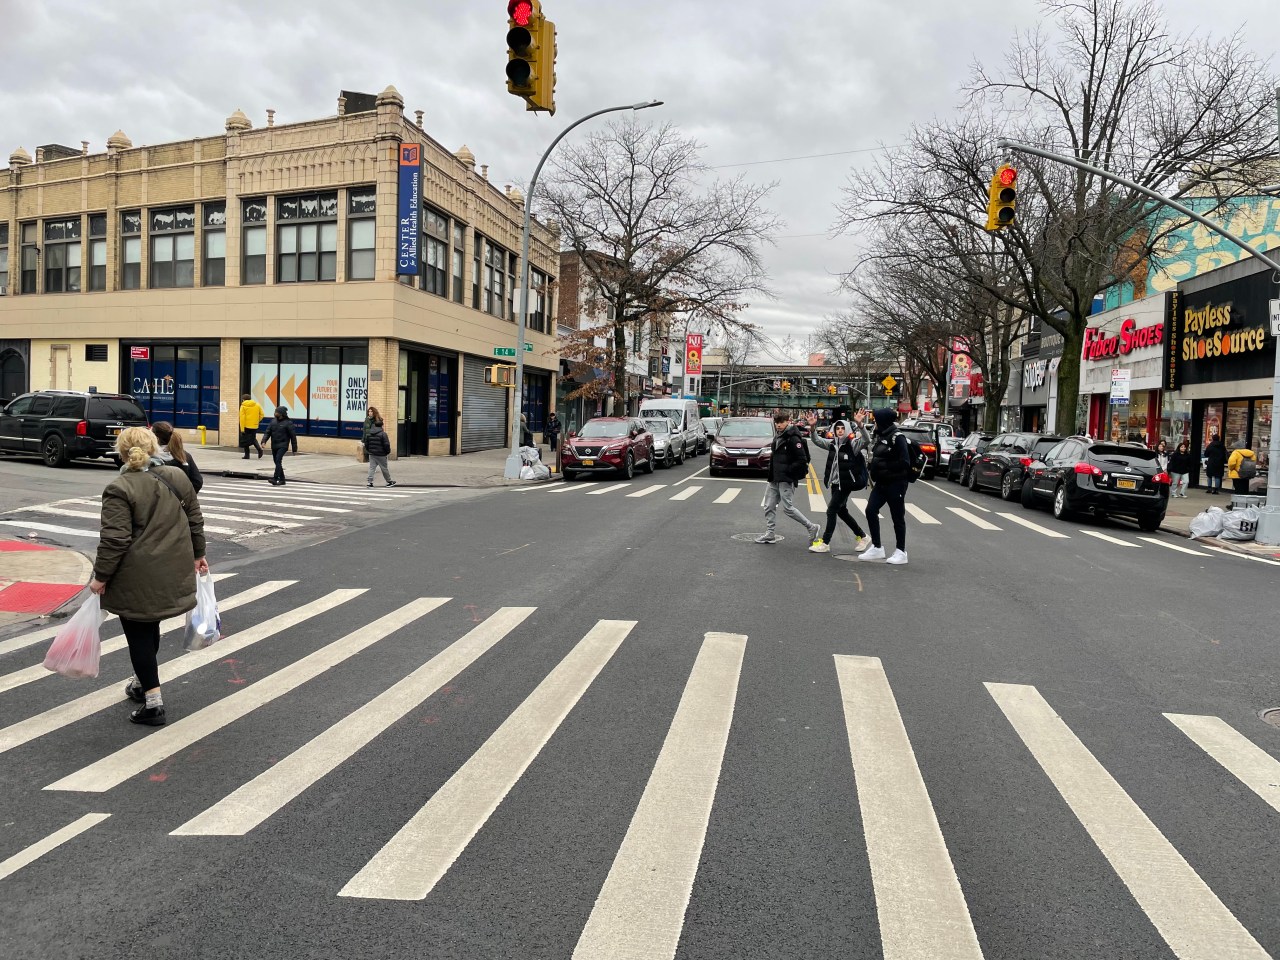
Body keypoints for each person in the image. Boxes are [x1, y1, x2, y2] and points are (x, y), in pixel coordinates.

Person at [89, 427, 207, 727]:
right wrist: (198, 554)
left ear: (121, 451)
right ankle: (142, 682)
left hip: (136, 574)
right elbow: (195, 519)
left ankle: (152, 702)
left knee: (139, 633)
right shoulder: (178, 477)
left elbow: (115, 540)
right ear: (154, 448)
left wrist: (100, 576)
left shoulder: (120, 487)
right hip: (173, 569)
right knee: (149, 625)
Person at [805, 411, 871, 554]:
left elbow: (866, 440)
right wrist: (812, 428)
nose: (840, 431)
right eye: (837, 428)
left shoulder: (852, 444)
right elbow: (817, 441)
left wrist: (860, 425)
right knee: (842, 511)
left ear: (847, 430)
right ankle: (863, 536)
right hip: (835, 483)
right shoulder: (832, 444)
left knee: (831, 510)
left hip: (846, 483)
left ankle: (825, 542)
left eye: (842, 428)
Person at [755, 412, 820, 545]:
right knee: (768, 506)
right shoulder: (779, 435)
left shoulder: (793, 438)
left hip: (786, 479)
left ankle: (812, 527)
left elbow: (802, 460)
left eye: (781, 422)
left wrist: (789, 472)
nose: (778, 425)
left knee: (788, 508)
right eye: (777, 422)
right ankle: (770, 534)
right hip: (774, 477)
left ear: (788, 421)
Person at [859, 407, 911, 565]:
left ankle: (901, 551)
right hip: (881, 483)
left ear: (883, 421)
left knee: (897, 517)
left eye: (876, 419)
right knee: (870, 510)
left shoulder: (898, 437)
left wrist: (886, 468)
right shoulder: (880, 435)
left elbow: (905, 462)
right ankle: (877, 547)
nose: (874, 422)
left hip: (896, 483)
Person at [151, 421, 203, 493]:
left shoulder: (150, 458)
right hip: (181, 501)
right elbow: (197, 481)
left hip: (160, 501)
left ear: (156, 438)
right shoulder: (184, 455)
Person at [261, 405, 298, 486]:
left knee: (278, 460)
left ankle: (275, 478)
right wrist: (264, 441)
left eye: (276, 412)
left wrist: (294, 449)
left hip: (283, 445)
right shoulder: (273, 421)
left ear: (281, 414)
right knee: (276, 462)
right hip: (274, 444)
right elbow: (268, 432)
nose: (275, 413)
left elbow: (293, 436)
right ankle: (282, 479)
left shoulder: (288, 423)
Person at [363, 415, 396, 487]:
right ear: (382, 426)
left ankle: (370, 482)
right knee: (384, 468)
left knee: (372, 468)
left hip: (372, 454)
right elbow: (386, 445)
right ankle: (389, 481)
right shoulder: (383, 434)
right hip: (381, 454)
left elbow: (366, 444)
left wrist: (369, 451)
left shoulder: (369, 434)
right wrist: (387, 452)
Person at [238, 393, 265, 460]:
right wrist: (257, 420)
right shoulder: (257, 405)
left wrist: (242, 429)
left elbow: (242, 418)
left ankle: (247, 455)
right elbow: (262, 414)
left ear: (243, 399)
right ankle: (259, 450)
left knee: (245, 440)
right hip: (254, 426)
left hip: (246, 426)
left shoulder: (243, 406)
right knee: (253, 439)